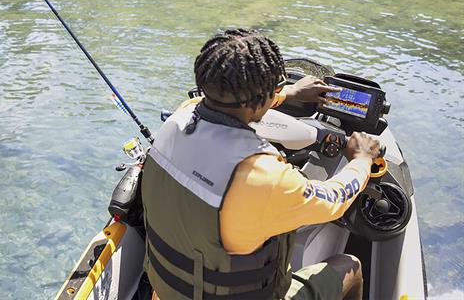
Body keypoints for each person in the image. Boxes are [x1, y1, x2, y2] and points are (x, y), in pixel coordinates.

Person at [140, 28, 381, 300]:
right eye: (275, 88)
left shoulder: (180, 115)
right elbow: (334, 200)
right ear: (264, 96)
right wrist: (361, 159)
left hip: (166, 291)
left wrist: (288, 94)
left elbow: (224, 102)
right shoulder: (262, 175)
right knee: (349, 266)